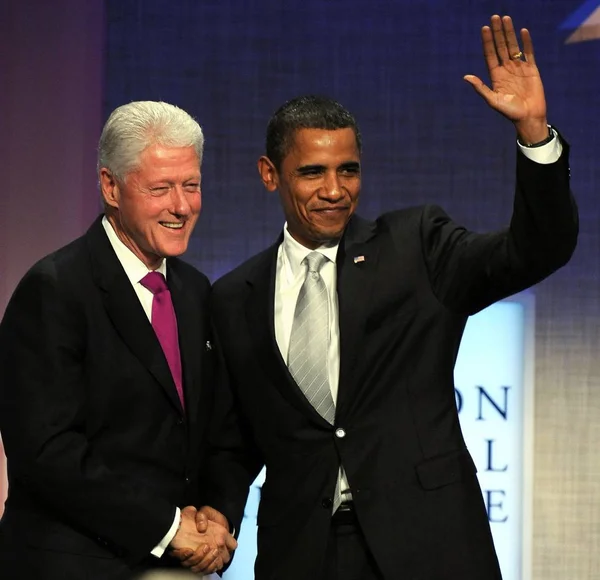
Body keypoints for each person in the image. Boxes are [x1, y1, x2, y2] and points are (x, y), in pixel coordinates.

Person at [196, 15, 578, 580]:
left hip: (430, 544)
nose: (334, 190)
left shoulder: (415, 245)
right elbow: (235, 438)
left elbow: (534, 251)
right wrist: (217, 516)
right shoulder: (234, 297)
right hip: (303, 554)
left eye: (348, 170)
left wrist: (535, 136)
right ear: (269, 174)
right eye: (312, 172)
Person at [0, 101, 236, 579]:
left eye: (191, 185)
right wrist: (169, 528)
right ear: (111, 186)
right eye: (161, 188)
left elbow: (219, 426)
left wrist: (217, 511)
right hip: (74, 562)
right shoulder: (55, 289)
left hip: (175, 563)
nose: (182, 206)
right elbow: (46, 452)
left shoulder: (194, 291)